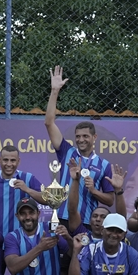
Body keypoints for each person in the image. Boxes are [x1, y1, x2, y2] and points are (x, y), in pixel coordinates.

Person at [45, 66, 115, 224]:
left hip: (85, 222)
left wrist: (94, 191)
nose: (81, 140)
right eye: (78, 137)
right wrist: (54, 91)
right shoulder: (66, 151)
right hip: (61, 218)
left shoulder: (104, 165)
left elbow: (110, 200)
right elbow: (49, 123)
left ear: (94, 137)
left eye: (85, 136)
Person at [0, 142, 48, 239]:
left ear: (18, 161)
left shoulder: (27, 178)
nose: (9, 164)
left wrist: (27, 189)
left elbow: (47, 200)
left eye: (13, 160)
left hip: (21, 239)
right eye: (5, 160)